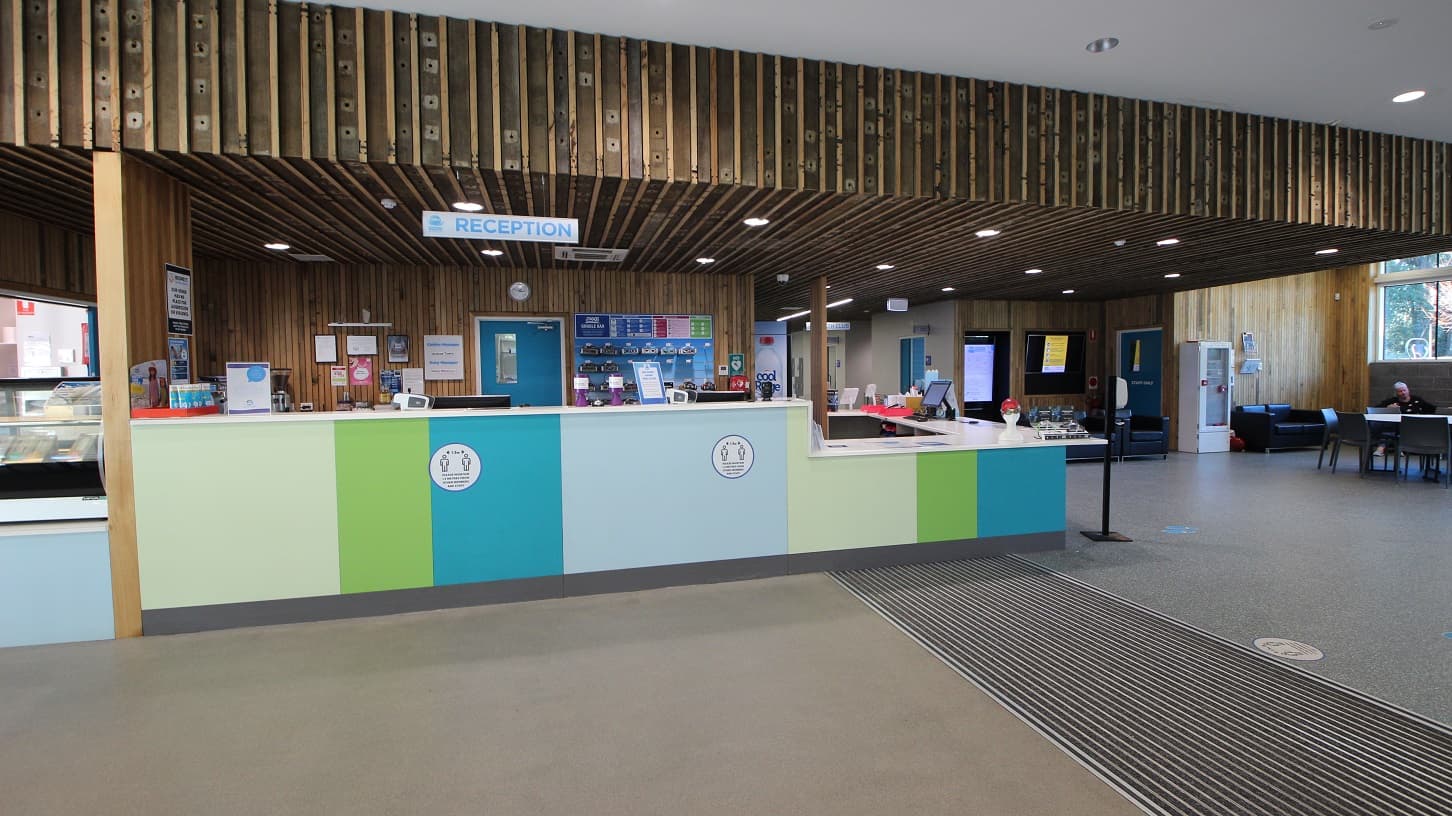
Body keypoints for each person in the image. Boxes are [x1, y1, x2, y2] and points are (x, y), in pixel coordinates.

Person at [1374, 382, 1439, 479]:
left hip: (1418, 430)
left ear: (1408, 390)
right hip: (1398, 429)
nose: (1403, 393)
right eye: (1400, 391)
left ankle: (1387, 446)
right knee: (1388, 427)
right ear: (1396, 393)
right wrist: (1387, 408)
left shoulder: (1417, 400)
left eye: (1404, 390)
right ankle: (1393, 446)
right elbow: (1375, 409)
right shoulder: (1392, 401)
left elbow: (1433, 409)